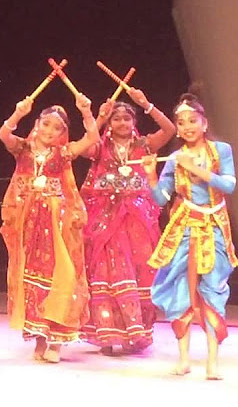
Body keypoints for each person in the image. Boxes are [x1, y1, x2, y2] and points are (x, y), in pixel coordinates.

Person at [141, 93, 237, 379]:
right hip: (184, 228)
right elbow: (160, 199)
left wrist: (197, 170)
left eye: (192, 121)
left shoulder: (222, 151)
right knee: (180, 291)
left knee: (213, 290)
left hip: (214, 227)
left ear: (204, 123)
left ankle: (212, 362)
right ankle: (183, 359)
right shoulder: (173, 158)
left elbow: (229, 186)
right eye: (180, 123)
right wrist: (151, 174)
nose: (186, 127)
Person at [0, 93, 98, 363]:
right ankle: (40, 339)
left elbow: (91, 140)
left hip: (57, 224)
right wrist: (18, 113)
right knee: (31, 277)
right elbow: (4, 134)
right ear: (37, 124)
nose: (50, 131)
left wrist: (87, 112)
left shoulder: (63, 154)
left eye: (57, 128)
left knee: (60, 276)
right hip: (29, 223)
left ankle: (57, 342)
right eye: (46, 124)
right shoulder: (23, 149)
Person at [79, 89, 175, 354]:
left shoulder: (143, 145)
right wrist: (99, 117)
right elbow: (85, 146)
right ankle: (108, 334)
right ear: (110, 124)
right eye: (116, 119)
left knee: (139, 270)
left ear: (134, 122)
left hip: (138, 218)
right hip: (105, 218)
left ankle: (137, 333)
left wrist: (147, 103)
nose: (122, 123)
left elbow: (169, 129)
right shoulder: (100, 147)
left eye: (127, 119)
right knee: (107, 271)